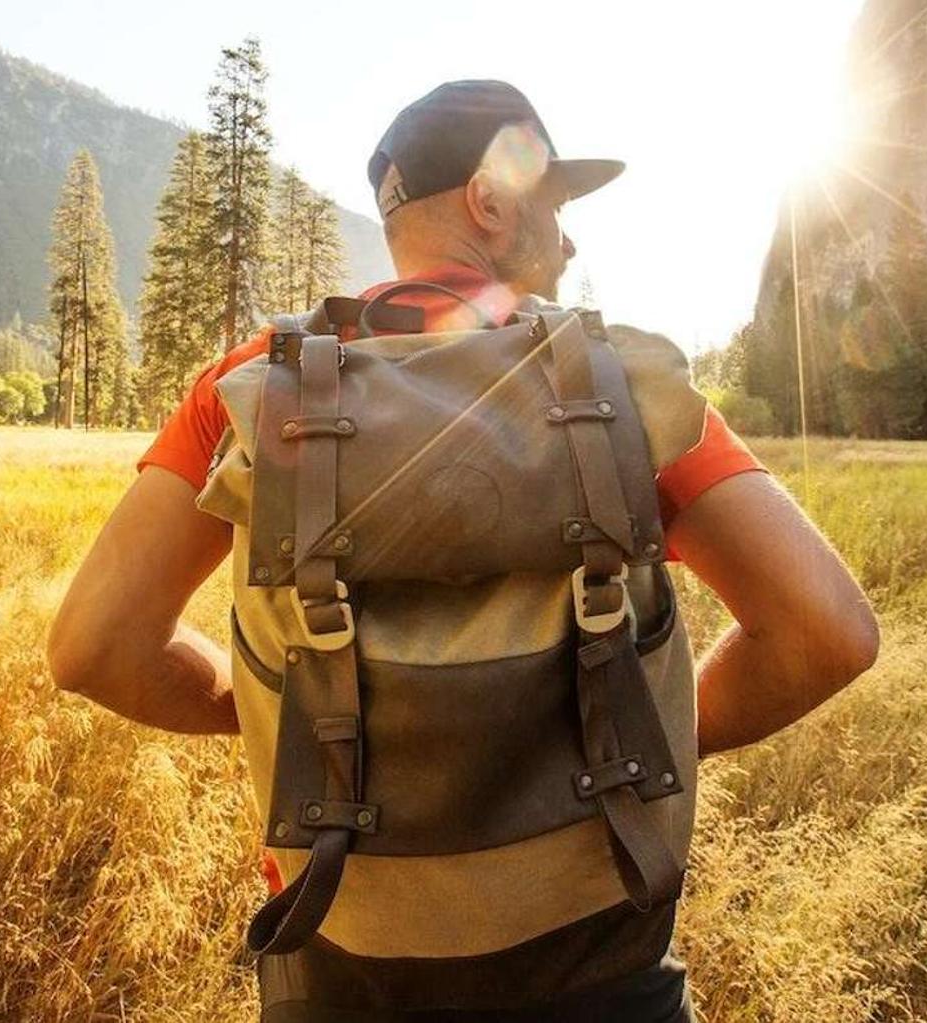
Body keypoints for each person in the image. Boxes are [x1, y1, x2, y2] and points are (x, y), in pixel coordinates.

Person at [48, 80, 879, 1022]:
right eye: (555, 203)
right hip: (602, 969)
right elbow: (829, 632)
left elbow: (92, 647)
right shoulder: (617, 388)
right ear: (488, 200)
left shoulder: (250, 391)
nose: (569, 238)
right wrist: (644, 730)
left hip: (341, 964)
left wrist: (287, 725)